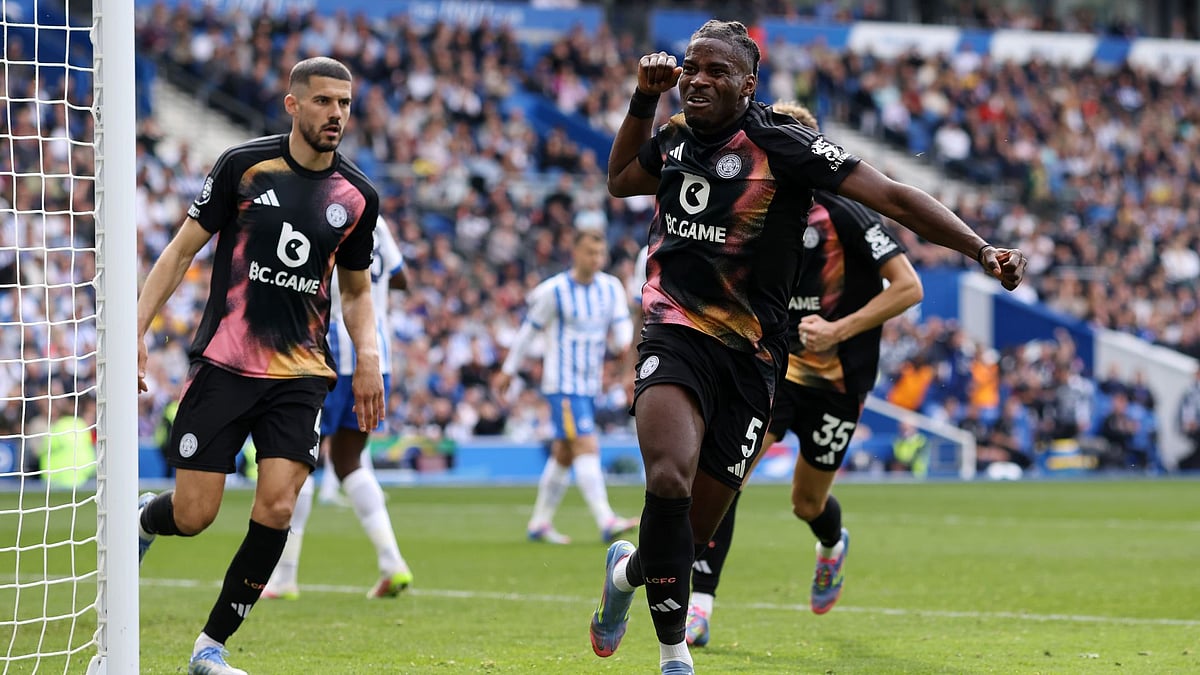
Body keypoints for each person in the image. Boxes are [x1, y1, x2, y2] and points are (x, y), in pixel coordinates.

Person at [588, 21, 1027, 674]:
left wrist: (981, 248)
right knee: (667, 480)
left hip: (755, 360)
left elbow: (896, 197)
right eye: (691, 68)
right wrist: (641, 100)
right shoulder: (675, 137)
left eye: (716, 72)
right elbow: (622, 177)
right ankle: (675, 653)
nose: (698, 80)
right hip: (674, 334)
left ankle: (624, 574)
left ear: (749, 84)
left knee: (691, 533)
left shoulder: (782, 147)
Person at [134, 57, 384, 675]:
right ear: (293, 104)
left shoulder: (357, 196)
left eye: (345, 104)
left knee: (277, 506)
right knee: (193, 515)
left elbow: (355, 289)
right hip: (226, 361)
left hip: (301, 371)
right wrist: (133, 328)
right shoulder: (243, 167)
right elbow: (180, 252)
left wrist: (369, 356)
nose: (337, 115)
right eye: (324, 102)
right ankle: (145, 515)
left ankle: (209, 647)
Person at [683, 99, 924, 646]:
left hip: (840, 380)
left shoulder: (848, 213)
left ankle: (831, 545)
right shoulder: (752, 209)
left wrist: (840, 330)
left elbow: (910, 287)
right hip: (775, 372)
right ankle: (700, 606)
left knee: (806, 503)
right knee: (727, 476)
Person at [262, 215, 413, 601]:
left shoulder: (316, 210)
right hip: (376, 360)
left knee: (300, 462)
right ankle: (392, 563)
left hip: (325, 358)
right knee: (349, 461)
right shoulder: (377, 221)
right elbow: (402, 278)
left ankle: (284, 577)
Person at [495, 229, 640, 545]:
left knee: (563, 453)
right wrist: (509, 370)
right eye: (590, 252)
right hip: (562, 384)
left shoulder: (611, 288)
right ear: (574, 252)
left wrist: (631, 360)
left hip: (590, 385)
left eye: (600, 253)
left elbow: (623, 334)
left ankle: (539, 523)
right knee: (586, 445)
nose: (596, 259)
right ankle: (606, 520)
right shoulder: (554, 291)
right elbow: (527, 333)